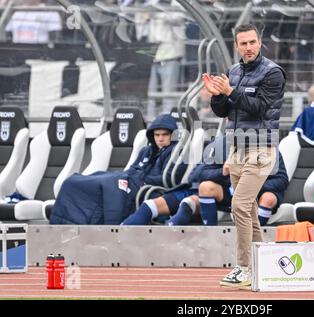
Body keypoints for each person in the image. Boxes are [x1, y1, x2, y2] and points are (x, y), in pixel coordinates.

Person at [202, 23, 286, 288]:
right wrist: (217, 95)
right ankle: (261, 267)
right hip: (236, 148)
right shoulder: (234, 72)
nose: (248, 48)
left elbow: (260, 108)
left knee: (238, 205)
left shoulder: (273, 73)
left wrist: (229, 91)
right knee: (247, 209)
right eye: (243, 43)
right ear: (236, 46)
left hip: (261, 149)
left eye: (252, 42)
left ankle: (242, 267)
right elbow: (223, 111)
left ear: (259, 43)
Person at [50, 114, 184, 225]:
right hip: (130, 180)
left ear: (172, 135)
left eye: (165, 135)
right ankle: (63, 220)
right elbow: (132, 169)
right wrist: (131, 176)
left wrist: (139, 178)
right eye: (157, 135)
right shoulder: (146, 150)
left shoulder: (177, 152)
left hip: (147, 189)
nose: (160, 138)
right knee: (76, 180)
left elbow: (168, 179)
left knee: (107, 182)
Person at [168, 153, 289, 227]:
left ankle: (253, 237)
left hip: (257, 195)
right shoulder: (221, 145)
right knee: (206, 187)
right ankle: (211, 234)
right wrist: (222, 172)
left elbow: (281, 180)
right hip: (229, 193)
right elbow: (201, 174)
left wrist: (253, 185)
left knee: (269, 198)